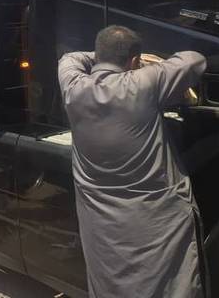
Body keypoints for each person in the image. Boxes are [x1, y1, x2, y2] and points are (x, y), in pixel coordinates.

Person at [58, 25, 207, 298]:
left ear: (99, 55)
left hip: (100, 223)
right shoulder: (144, 82)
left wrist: (101, 54)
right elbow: (195, 60)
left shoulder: (73, 87)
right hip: (153, 221)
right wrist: (150, 62)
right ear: (134, 60)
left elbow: (69, 58)